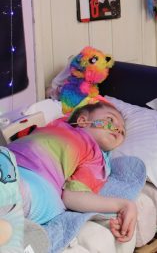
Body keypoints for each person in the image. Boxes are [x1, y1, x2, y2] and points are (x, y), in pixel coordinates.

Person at [0, 99, 137, 252]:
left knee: (8, 188)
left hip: (37, 184)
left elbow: (72, 196)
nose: (118, 129)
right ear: (83, 121)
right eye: (111, 120)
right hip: (9, 161)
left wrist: (124, 205)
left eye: (123, 131)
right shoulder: (57, 126)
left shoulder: (96, 156)